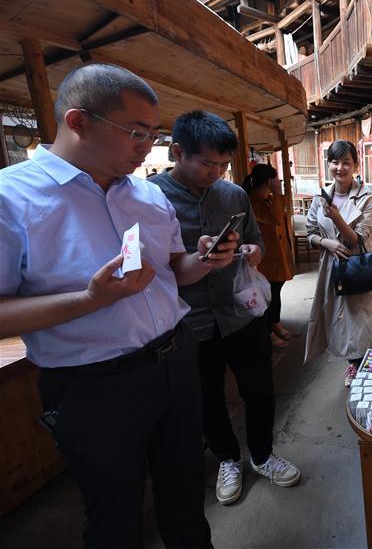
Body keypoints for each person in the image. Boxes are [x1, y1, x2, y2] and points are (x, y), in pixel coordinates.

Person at [0, 64, 232, 547]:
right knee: (115, 515)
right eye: (136, 132)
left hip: (175, 359)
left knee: (187, 494)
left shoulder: (146, 194)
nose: (148, 146)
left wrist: (205, 260)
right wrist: (89, 299)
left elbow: (176, 271)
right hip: (93, 386)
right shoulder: (12, 198)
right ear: (78, 122)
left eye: (153, 134)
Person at [151, 111, 300, 507]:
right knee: (207, 400)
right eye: (207, 163)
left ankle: (264, 455)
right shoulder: (152, 197)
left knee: (260, 390)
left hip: (242, 314)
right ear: (178, 152)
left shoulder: (233, 195)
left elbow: (256, 244)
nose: (216, 172)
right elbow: (152, 267)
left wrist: (252, 252)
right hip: (190, 321)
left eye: (222, 165)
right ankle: (229, 460)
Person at [305, 140, 372, 387]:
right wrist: (326, 243)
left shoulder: (366, 200)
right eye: (335, 162)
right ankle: (353, 366)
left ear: (356, 165)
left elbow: (357, 240)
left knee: (359, 324)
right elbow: (311, 231)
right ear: (329, 165)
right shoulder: (320, 197)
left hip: (358, 270)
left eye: (346, 162)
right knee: (337, 321)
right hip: (331, 269)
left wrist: (336, 217)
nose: (340, 167)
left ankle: (362, 368)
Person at [243, 163, 296, 349]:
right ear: (268, 182)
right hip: (266, 259)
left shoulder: (267, 199)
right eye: (275, 180)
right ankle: (269, 331)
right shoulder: (253, 202)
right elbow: (273, 219)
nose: (278, 182)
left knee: (275, 291)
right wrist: (278, 193)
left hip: (277, 256)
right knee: (268, 295)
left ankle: (276, 324)